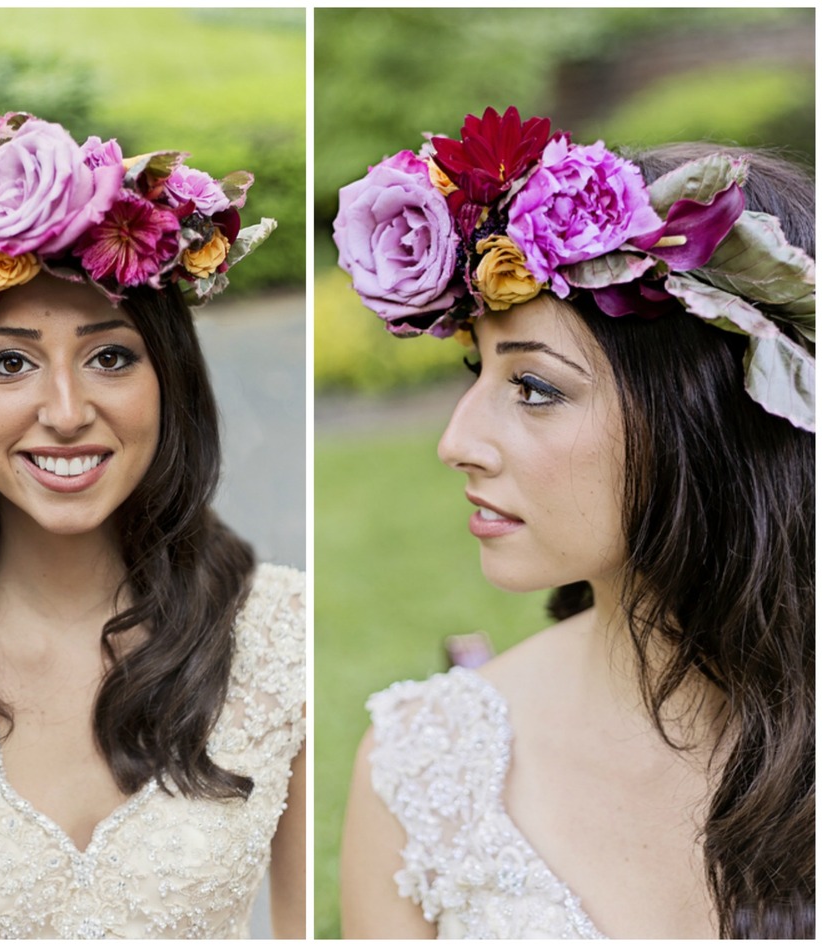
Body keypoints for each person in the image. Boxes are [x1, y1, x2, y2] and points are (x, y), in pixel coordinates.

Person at [0, 112, 305, 939]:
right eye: (10, 361)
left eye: (111, 356)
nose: (67, 413)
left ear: (168, 381)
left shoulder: (285, 636)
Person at [333, 107, 813, 939]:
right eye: (475, 369)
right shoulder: (421, 764)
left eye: (536, 388)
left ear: (709, 418)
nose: (456, 442)